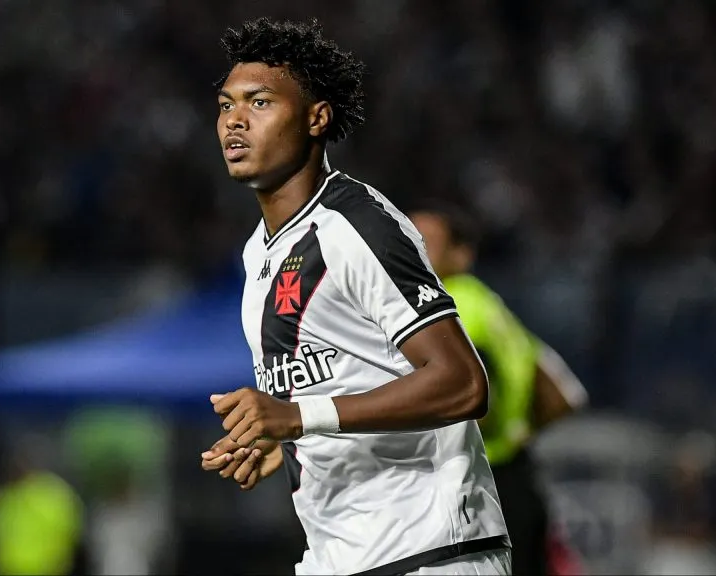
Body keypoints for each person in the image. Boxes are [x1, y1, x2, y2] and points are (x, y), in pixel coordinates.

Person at [199, 18, 510, 576]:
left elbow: (463, 383)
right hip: (342, 556)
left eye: (261, 102)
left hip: (428, 551)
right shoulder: (259, 252)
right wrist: (286, 438)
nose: (235, 121)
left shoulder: (354, 225)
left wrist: (298, 417)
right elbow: (340, 378)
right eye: (226, 105)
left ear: (316, 117)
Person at [409, 203, 589, 576]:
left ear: (461, 255)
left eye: (425, 241)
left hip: (472, 486)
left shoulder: (449, 307)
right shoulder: (489, 304)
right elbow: (563, 395)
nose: (411, 247)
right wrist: (515, 433)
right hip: (514, 477)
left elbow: (473, 398)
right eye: (406, 236)